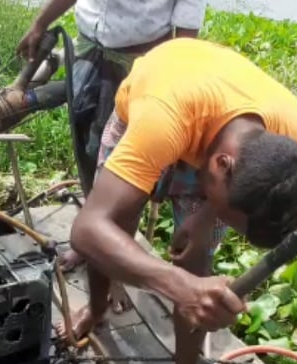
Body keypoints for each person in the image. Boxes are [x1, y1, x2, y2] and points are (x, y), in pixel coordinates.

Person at [59, 37, 297, 364]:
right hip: (156, 103)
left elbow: (232, 202)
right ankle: (96, 306)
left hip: (215, 134)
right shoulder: (161, 119)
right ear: (221, 167)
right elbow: (89, 228)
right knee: (117, 224)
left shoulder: (294, 133)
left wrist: (205, 220)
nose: (225, 221)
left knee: (198, 267)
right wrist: (177, 285)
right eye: (228, 215)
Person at [17, 0, 208, 281]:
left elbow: (186, 37)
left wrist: (167, 87)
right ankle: (91, 241)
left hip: (140, 64)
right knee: (88, 147)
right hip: (89, 49)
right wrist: (39, 24)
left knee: (127, 169)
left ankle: (114, 268)